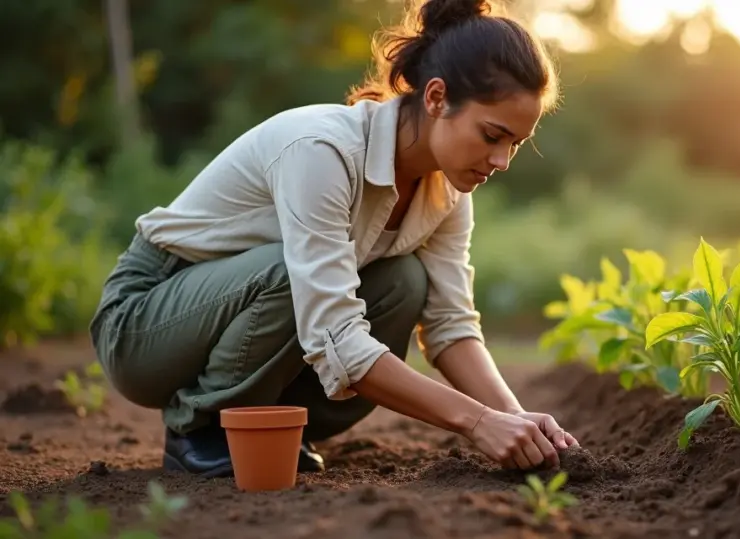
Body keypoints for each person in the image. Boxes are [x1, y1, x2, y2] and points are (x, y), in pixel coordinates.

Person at [88, 0, 579, 479]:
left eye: (514, 143)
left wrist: (518, 422)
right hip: (145, 324)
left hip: (243, 320)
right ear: (435, 98)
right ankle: (200, 427)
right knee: (290, 272)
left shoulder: (449, 189)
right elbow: (334, 336)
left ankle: (270, 418)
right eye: (492, 135)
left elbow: (450, 326)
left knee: (406, 280)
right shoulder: (323, 151)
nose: (502, 161)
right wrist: (476, 421)